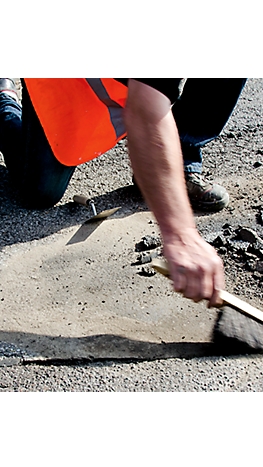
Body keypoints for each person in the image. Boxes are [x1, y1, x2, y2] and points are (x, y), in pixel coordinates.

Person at [0, 78, 246, 306]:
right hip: (77, 76)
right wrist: (181, 235)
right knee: (39, 192)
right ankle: (3, 101)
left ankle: (178, 157)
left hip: (126, 86)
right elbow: (145, 109)